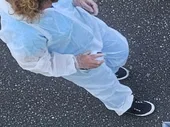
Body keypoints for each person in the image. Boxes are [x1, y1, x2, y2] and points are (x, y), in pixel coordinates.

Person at [0, 0, 155, 116]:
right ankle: (124, 104)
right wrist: (76, 62)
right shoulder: (23, 35)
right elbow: (37, 62)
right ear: (34, 8)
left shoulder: (42, 3)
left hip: (90, 30)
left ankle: (111, 69)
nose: (56, 2)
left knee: (119, 48)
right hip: (77, 58)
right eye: (51, 1)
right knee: (104, 85)